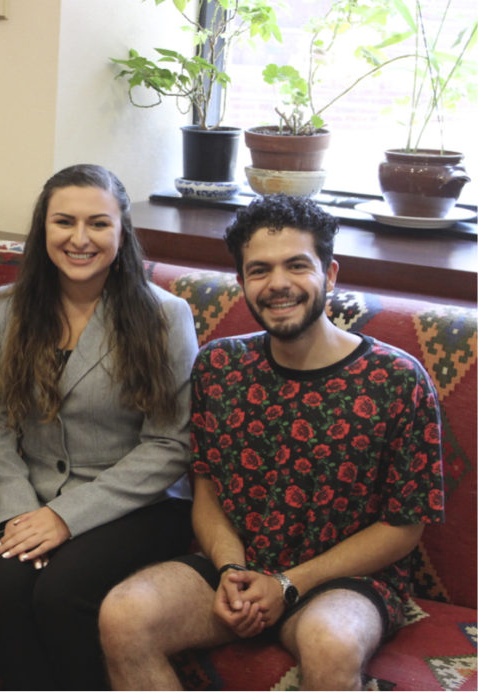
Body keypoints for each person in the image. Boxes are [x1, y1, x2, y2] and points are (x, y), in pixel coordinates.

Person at [99, 194, 445, 690]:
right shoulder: (219, 366)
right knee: (123, 614)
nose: (278, 283)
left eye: (297, 265)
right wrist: (231, 569)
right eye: (259, 270)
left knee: (331, 643)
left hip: (344, 582)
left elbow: (404, 526)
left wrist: (287, 584)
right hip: (236, 567)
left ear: (329, 274)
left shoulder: (397, 378)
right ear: (242, 283)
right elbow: (207, 491)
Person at [0, 164, 198, 690]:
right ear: (43, 228)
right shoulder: (10, 308)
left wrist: (65, 517)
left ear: (122, 231)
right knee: (0, 588)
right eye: (64, 222)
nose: (80, 239)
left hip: (139, 505)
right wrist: (19, 511)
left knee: (60, 592)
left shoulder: (165, 316)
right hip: (31, 498)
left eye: (98, 223)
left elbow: (170, 444)